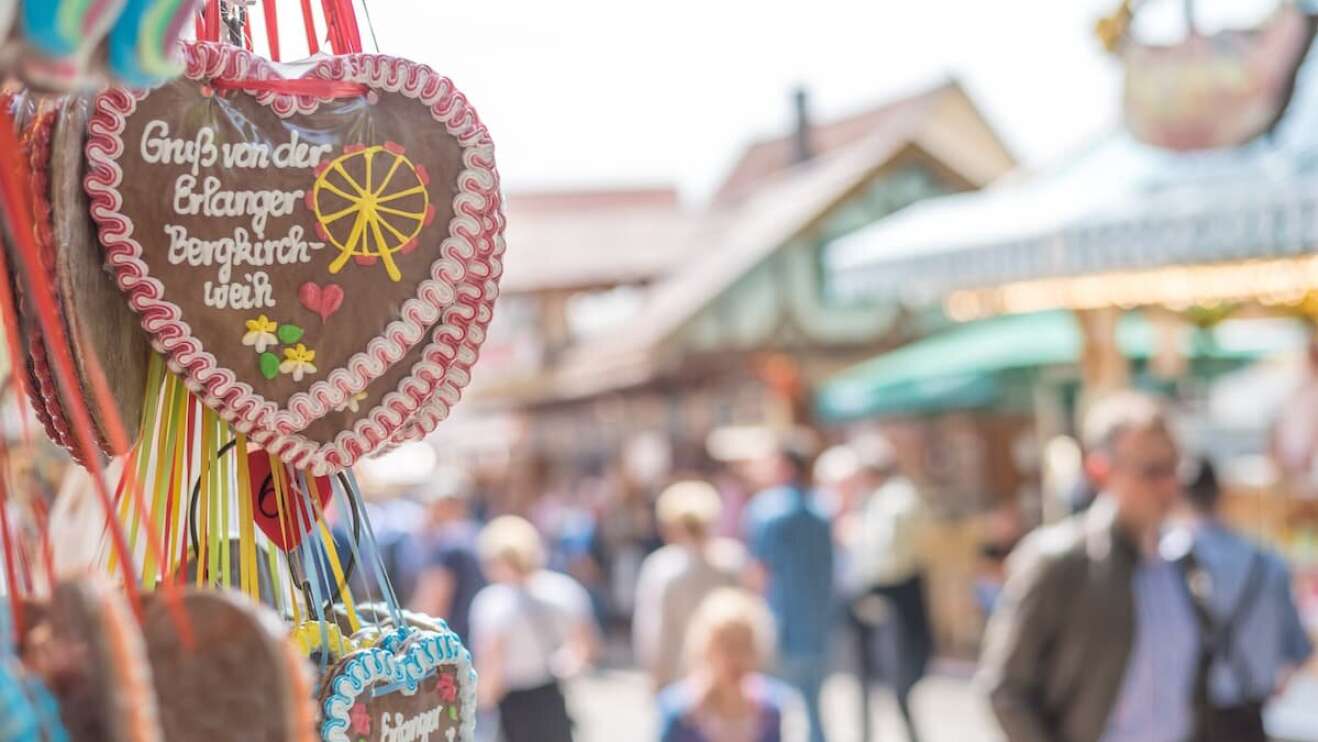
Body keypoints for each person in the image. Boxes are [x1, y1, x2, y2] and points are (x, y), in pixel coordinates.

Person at [978, 391, 1200, 742]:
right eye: (1152, 471)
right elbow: (1005, 689)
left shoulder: (1182, 560)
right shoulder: (1062, 562)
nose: (1169, 485)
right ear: (1100, 470)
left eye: (1175, 467)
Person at [1164, 459, 1314, 742]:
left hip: (1185, 720)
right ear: (1220, 495)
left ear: (1179, 496)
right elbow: (1299, 649)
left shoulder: (1162, 565)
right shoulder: (1269, 563)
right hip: (1247, 719)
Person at [470, 516, 597, 742]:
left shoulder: (493, 603)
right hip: (552, 697)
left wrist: (480, 706)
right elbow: (586, 648)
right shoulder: (564, 590)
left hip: (511, 706)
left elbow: (492, 669)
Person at [841, 436, 931, 742]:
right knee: (887, 674)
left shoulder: (892, 500)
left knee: (892, 672)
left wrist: (865, 587)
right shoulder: (889, 498)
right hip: (893, 591)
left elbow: (885, 554)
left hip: (891, 593)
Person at [745, 436, 834, 742]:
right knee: (814, 708)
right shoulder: (823, 507)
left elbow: (759, 571)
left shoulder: (768, 508)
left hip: (781, 621)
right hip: (820, 623)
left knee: (772, 709)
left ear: (784, 466)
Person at [635, 481, 747, 691]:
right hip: (726, 673)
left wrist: (656, 675)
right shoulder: (733, 560)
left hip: (681, 677)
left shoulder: (663, 568)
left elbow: (654, 630)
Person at [657, 589, 795, 742]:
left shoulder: (770, 710)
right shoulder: (680, 713)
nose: (737, 658)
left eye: (744, 646)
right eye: (727, 647)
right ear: (706, 649)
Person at [407, 467, 485, 645]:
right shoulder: (476, 534)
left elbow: (431, 605)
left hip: (448, 643)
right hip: (472, 640)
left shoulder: (447, 545)